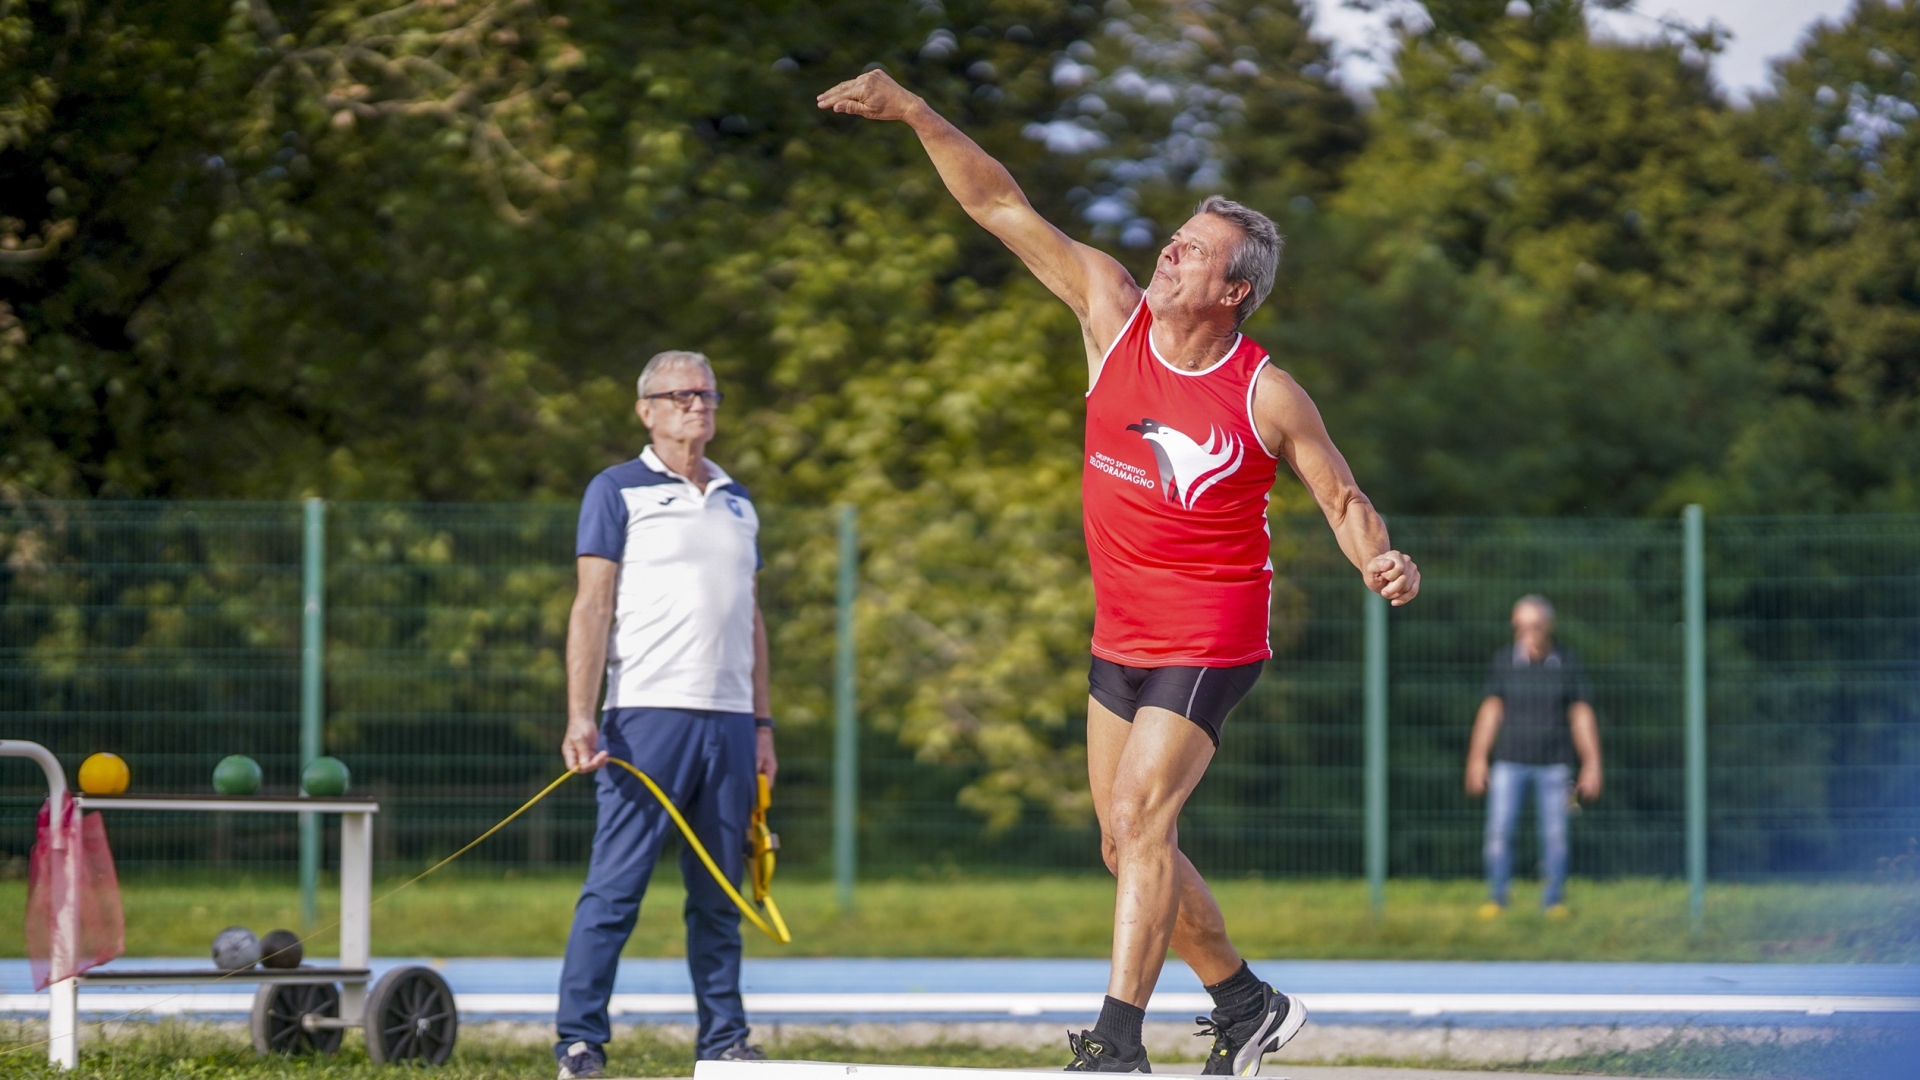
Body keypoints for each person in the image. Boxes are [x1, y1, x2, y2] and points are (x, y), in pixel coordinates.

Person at [818, 71, 1421, 1075]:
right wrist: (918, 113)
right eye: (1173, 237)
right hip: (1122, 631)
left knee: (1144, 819)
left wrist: (1381, 560)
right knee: (1123, 844)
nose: (1170, 250)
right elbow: (1000, 204)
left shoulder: (1266, 392)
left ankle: (1116, 1044)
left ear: (1235, 289)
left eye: (1195, 250)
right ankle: (1243, 1003)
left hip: (1214, 632)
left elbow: (1341, 498)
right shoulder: (1112, 315)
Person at [552, 350, 778, 1079]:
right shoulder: (617, 490)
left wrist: (764, 725)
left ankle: (724, 1040)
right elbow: (592, 605)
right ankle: (579, 1040)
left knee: (719, 893)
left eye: (706, 392)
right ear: (646, 409)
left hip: (732, 723)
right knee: (616, 889)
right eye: (679, 394)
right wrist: (580, 715)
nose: (696, 404)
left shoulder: (738, 498)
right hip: (646, 716)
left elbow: (752, 619)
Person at [1463, 595, 1603, 919]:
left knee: (1555, 837)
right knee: (1499, 832)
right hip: (1508, 762)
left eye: (1534, 625)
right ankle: (1496, 899)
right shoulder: (1504, 661)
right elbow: (1490, 712)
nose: (1527, 632)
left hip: (1554, 765)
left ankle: (1553, 901)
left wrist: (1592, 763)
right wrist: (1477, 758)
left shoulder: (1566, 663)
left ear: (1548, 626)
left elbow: (1581, 715)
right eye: (1520, 625)